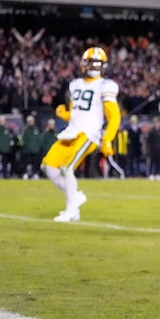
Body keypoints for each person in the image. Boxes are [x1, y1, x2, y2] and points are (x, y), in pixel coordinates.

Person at [41, 47, 121, 222]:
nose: (95, 67)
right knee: (48, 166)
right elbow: (78, 112)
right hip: (72, 132)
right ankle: (75, 197)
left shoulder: (105, 85)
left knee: (66, 168)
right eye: (92, 63)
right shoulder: (75, 84)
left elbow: (114, 116)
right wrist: (65, 115)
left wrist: (107, 139)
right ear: (84, 64)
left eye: (98, 64)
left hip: (89, 133)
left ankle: (71, 209)